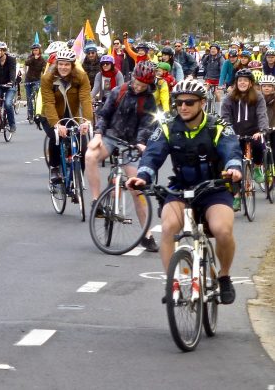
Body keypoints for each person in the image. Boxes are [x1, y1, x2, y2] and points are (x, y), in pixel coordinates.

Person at [126, 80, 242, 305]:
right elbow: (152, 154)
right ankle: (173, 282)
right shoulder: (167, 127)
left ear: (202, 103)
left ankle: (225, 276)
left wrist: (234, 169)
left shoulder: (217, 126)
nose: (183, 107)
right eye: (178, 103)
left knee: (222, 230)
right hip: (181, 188)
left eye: (189, 102)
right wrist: (142, 177)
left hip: (214, 187)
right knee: (168, 227)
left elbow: (231, 149)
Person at [86, 61, 158, 250]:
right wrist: (98, 135)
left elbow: (148, 124)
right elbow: (104, 115)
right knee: (90, 155)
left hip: (132, 144)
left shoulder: (149, 100)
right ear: (132, 77)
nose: (138, 86)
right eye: (136, 82)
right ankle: (96, 202)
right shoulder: (118, 91)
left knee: (136, 187)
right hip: (110, 137)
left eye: (143, 85)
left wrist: (141, 142)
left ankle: (147, 235)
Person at [39, 49, 93, 183]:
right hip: (51, 116)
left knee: (83, 146)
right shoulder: (47, 78)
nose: (63, 67)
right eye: (61, 64)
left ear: (72, 65)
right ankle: (55, 168)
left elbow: (85, 99)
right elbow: (49, 102)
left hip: (72, 115)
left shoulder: (81, 77)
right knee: (55, 137)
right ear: (56, 64)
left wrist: (86, 121)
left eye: (67, 64)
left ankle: (78, 178)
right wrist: (57, 124)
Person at [220, 69, 268, 199]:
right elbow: (225, 117)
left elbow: (261, 114)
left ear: (250, 83)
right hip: (235, 133)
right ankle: (235, 196)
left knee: (259, 144)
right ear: (236, 83)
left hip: (254, 132)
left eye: (245, 80)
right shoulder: (229, 98)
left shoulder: (258, 97)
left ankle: (258, 167)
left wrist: (261, 130)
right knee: (233, 163)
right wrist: (229, 132)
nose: (242, 83)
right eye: (240, 80)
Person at [0, 41, 18, 132]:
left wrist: (12, 81)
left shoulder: (11, 60)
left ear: (4, 51)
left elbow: (13, 71)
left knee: (8, 104)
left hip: (9, 85)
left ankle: (12, 124)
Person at [24, 43, 46, 121]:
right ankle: (30, 114)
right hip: (28, 79)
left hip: (37, 80)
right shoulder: (30, 57)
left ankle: (37, 112)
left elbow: (44, 70)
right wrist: (34, 58)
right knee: (29, 98)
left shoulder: (42, 59)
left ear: (39, 50)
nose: (35, 52)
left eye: (36, 50)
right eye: (33, 50)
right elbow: (26, 63)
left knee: (38, 95)